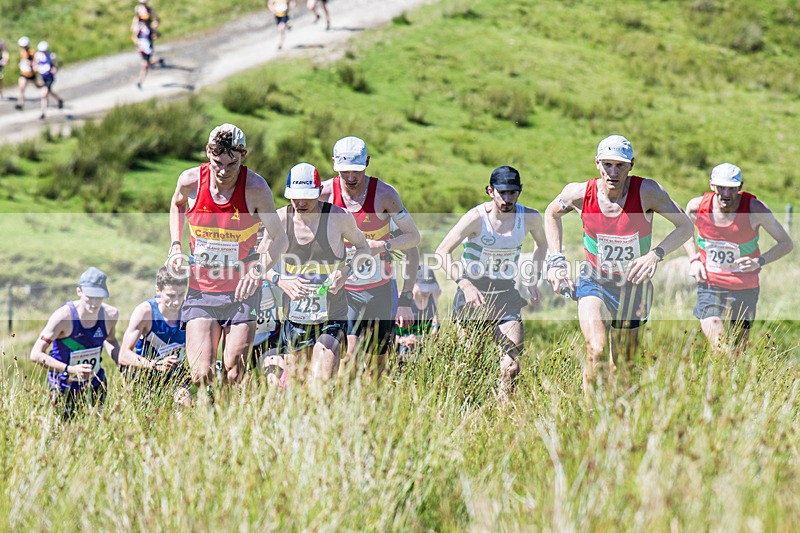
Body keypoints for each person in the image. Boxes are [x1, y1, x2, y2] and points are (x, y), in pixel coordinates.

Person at [544, 135, 693, 396]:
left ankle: (618, 421)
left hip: (633, 286)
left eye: (620, 165)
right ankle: (590, 421)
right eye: (607, 165)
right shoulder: (579, 193)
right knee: (596, 350)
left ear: (631, 165)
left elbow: (685, 226)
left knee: (624, 368)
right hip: (594, 281)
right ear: (597, 164)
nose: (613, 172)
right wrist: (556, 261)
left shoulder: (647, 192)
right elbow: (551, 213)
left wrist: (655, 254)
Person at [168, 123, 288, 397]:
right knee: (201, 373)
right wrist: (175, 246)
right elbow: (177, 204)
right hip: (202, 290)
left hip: (242, 292)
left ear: (243, 156)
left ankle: (223, 417)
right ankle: (202, 408)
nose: (223, 171)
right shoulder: (190, 181)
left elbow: (279, 238)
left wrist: (258, 271)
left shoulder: (255, 189)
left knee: (234, 372)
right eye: (217, 162)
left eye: (231, 164)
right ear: (209, 154)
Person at [436, 166, 547, 400]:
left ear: (520, 192)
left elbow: (542, 245)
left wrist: (532, 278)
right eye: (502, 193)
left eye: (513, 193)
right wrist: (464, 284)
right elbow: (442, 252)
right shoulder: (476, 218)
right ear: (490, 191)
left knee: (511, 366)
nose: (507, 199)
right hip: (473, 294)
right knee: (469, 363)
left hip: (506, 293)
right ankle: (465, 411)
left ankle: (503, 418)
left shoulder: (529, 217)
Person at [319, 136, 421, 377]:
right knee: (348, 357)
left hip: (380, 290)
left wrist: (382, 246)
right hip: (343, 290)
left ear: (368, 163)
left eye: (357, 171)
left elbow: (413, 238)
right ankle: (341, 409)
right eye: (345, 172)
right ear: (334, 163)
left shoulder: (385, 194)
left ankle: (372, 407)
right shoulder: (323, 193)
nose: (351, 178)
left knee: (377, 367)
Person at [267, 162, 370, 387]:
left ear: (318, 192)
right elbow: (258, 263)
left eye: (307, 197)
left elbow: (364, 248)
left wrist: (346, 271)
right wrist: (280, 279)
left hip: (332, 315)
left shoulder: (338, 217)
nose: (301, 203)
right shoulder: (280, 220)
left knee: (321, 383)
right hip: (295, 318)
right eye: (296, 197)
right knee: (295, 387)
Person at [682, 163, 793, 354]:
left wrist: (759, 261)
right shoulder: (696, 206)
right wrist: (694, 260)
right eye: (721, 187)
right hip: (710, 283)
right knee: (720, 345)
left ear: (740, 187)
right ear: (711, 186)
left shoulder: (755, 209)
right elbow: (683, 231)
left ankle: (729, 381)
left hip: (745, 286)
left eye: (731, 188)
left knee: (737, 350)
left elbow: (786, 243)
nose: (726, 193)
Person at [29, 267, 120, 419]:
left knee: (96, 434)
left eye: (99, 297)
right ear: (79, 291)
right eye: (89, 297)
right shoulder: (63, 317)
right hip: (64, 387)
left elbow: (110, 341)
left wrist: (122, 363)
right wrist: (70, 369)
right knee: (64, 436)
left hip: (96, 385)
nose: (94, 303)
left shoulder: (110, 315)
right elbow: (35, 354)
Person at [119, 266, 192, 405]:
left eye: (181, 295)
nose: (176, 301)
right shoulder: (146, 312)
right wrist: (156, 364)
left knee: (185, 403)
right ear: (158, 290)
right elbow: (123, 355)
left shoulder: (188, 310)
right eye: (170, 296)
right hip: (147, 376)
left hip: (176, 377)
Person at [395, 265, 441, 361]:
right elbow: (388, 335)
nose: (427, 291)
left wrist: (428, 337)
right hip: (400, 349)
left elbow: (436, 327)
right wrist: (404, 340)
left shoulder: (432, 299)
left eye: (430, 287)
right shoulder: (400, 301)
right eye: (423, 287)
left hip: (422, 350)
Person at [131, 0, 163, 89]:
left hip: (148, 46)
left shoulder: (149, 26)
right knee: (146, 63)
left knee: (145, 65)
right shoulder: (139, 26)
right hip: (142, 46)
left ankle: (140, 82)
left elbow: (157, 33)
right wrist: (137, 44)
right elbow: (134, 36)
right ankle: (158, 61)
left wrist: (154, 32)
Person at [33, 41, 63, 120]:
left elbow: (60, 63)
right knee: (49, 92)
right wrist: (35, 67)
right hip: (42, 77)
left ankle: (43, 112)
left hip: (50, 77)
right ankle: (59, 100)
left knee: (44, 94)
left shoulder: (51, 56)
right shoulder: (37, 56)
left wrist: (56, 69)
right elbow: (35, 64)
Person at [16, 36, 39, 111]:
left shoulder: (31, 52)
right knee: (21, 88)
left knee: (37, 86)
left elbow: (35, 62)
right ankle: (20, 103)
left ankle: (47, 89)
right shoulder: (22, 52)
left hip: (31, 74)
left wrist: (31, 63)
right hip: (23, 73)